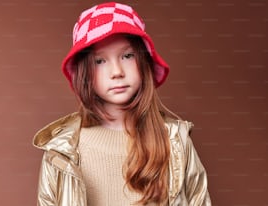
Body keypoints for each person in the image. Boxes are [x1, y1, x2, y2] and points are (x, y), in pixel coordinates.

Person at [33, 2, 211, 206]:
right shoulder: (62, 151)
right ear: (84, 73)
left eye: (127, 56)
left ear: (143, 61)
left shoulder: (175, 142)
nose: (117, 71)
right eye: (100, 61)